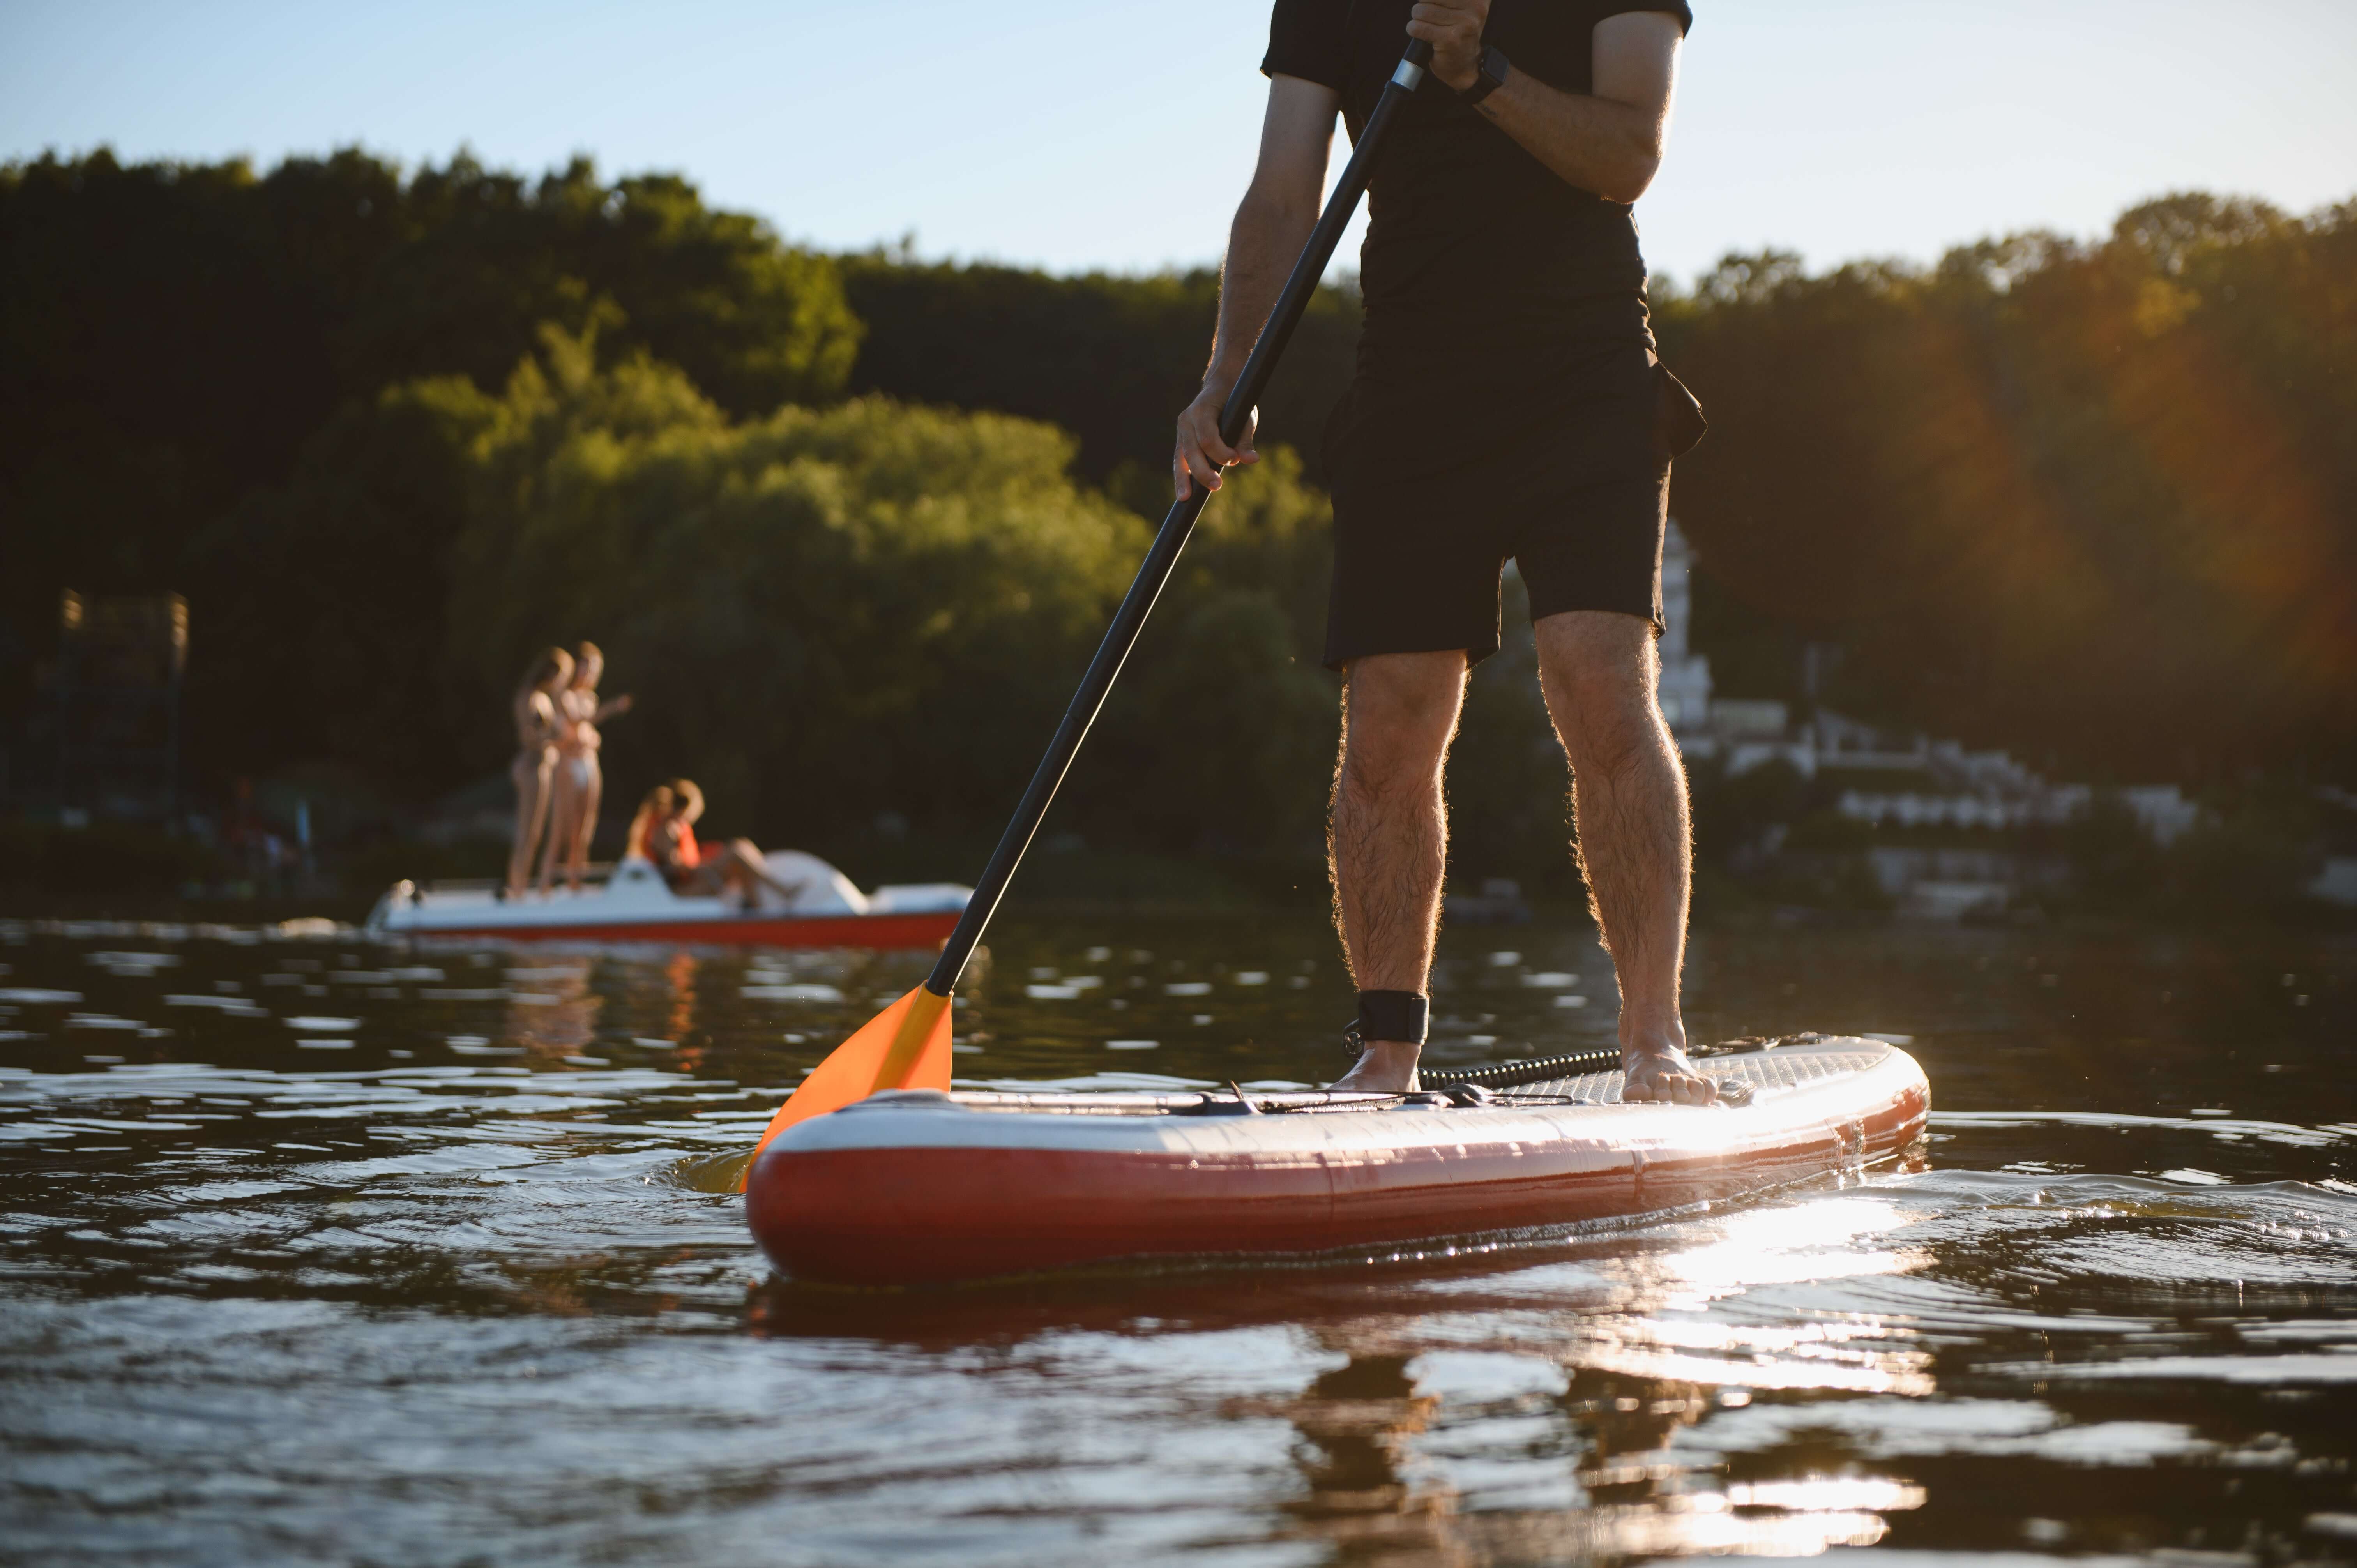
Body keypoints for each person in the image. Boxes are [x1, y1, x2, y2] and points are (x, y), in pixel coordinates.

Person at [1173, 0, 1716, 1102]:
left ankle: (1655, 1042)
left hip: (1585, 380)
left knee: (1598, 682)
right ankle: (1384, 1056)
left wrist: (1483, 71)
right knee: (1387, 722)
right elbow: (1285, 191)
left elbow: (1627, 157)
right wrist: (1228, 372)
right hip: (1414, 393)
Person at [537, 641, 633, 895]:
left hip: (588, 764)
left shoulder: (590, 698)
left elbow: (586, 733)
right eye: (586, 667)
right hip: (567, 766)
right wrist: (610, 710)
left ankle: (575, 884)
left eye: (595, 669)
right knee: (560, 829)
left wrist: (590, 737)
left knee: (585, 828)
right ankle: (545, 885)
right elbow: (574, 726)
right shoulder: (562, 696)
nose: (590, 674)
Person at [624, 779, 807, 908]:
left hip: (693, 882)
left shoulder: (670, 828)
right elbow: (676, 867)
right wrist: (707, 864)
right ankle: (781, 890)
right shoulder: (666, 829)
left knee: (741, 851)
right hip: (683, 891)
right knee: (737, 850)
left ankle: (757, 912)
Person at [505, 646, 574, 899]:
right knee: (527, 832)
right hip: (531, 766)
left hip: (543, 766)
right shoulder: (529, 697)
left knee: (535, 833)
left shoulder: (545, 698)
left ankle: (521, 886)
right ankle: (517, 889)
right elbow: (529, 738)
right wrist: (554, 735)